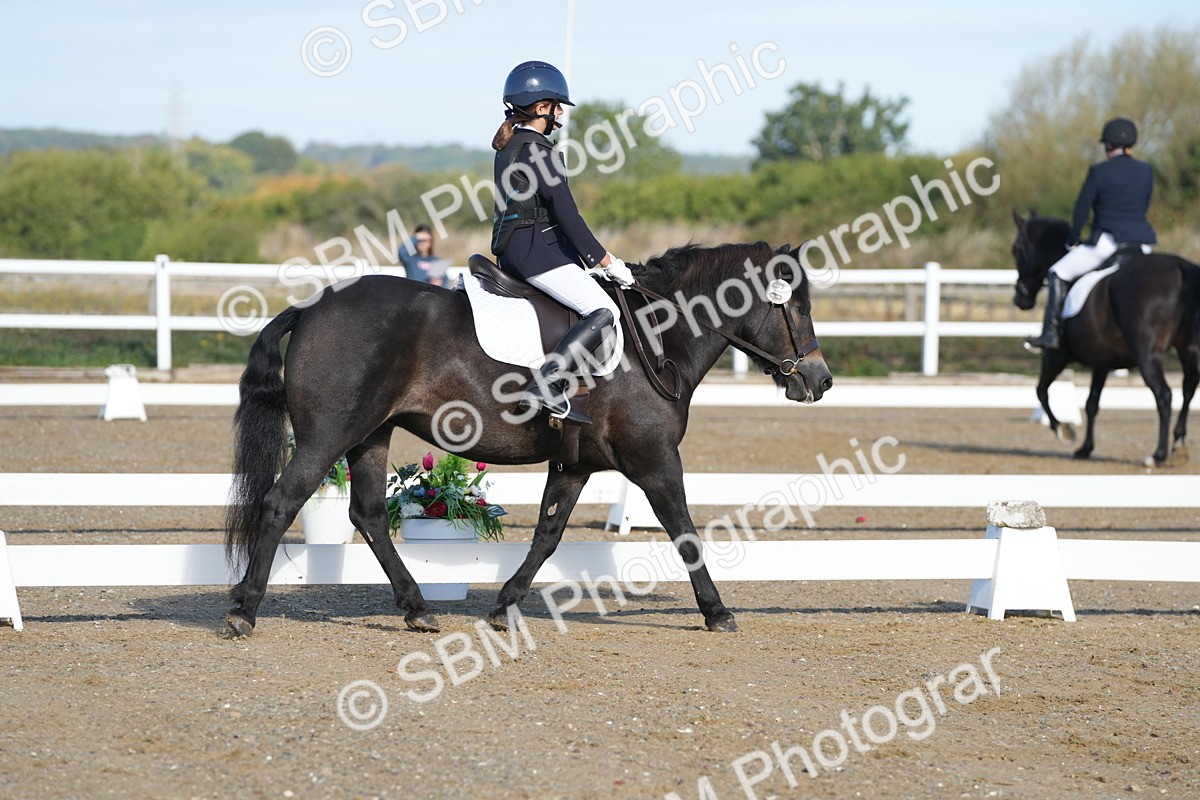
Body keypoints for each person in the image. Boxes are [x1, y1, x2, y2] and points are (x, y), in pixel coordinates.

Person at [490, 60, 634, 425]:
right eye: (556, 107)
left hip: (517, 248)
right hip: (535, 252)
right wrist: (606, 261)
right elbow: (567, 214)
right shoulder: (538, 149)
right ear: (541, 108)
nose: (559, 115)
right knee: (605, 312)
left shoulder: (511, 146)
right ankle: (547, 385)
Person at [1024, 117, 1157, 353]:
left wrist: (1072, 239)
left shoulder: (1099, 171)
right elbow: (1144, 205)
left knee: (1057, 272)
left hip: (1107, 243)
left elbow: (1082, 209)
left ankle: (1050, 334)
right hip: (1142, 244)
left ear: (1108, 144)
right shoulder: (1146, 171)